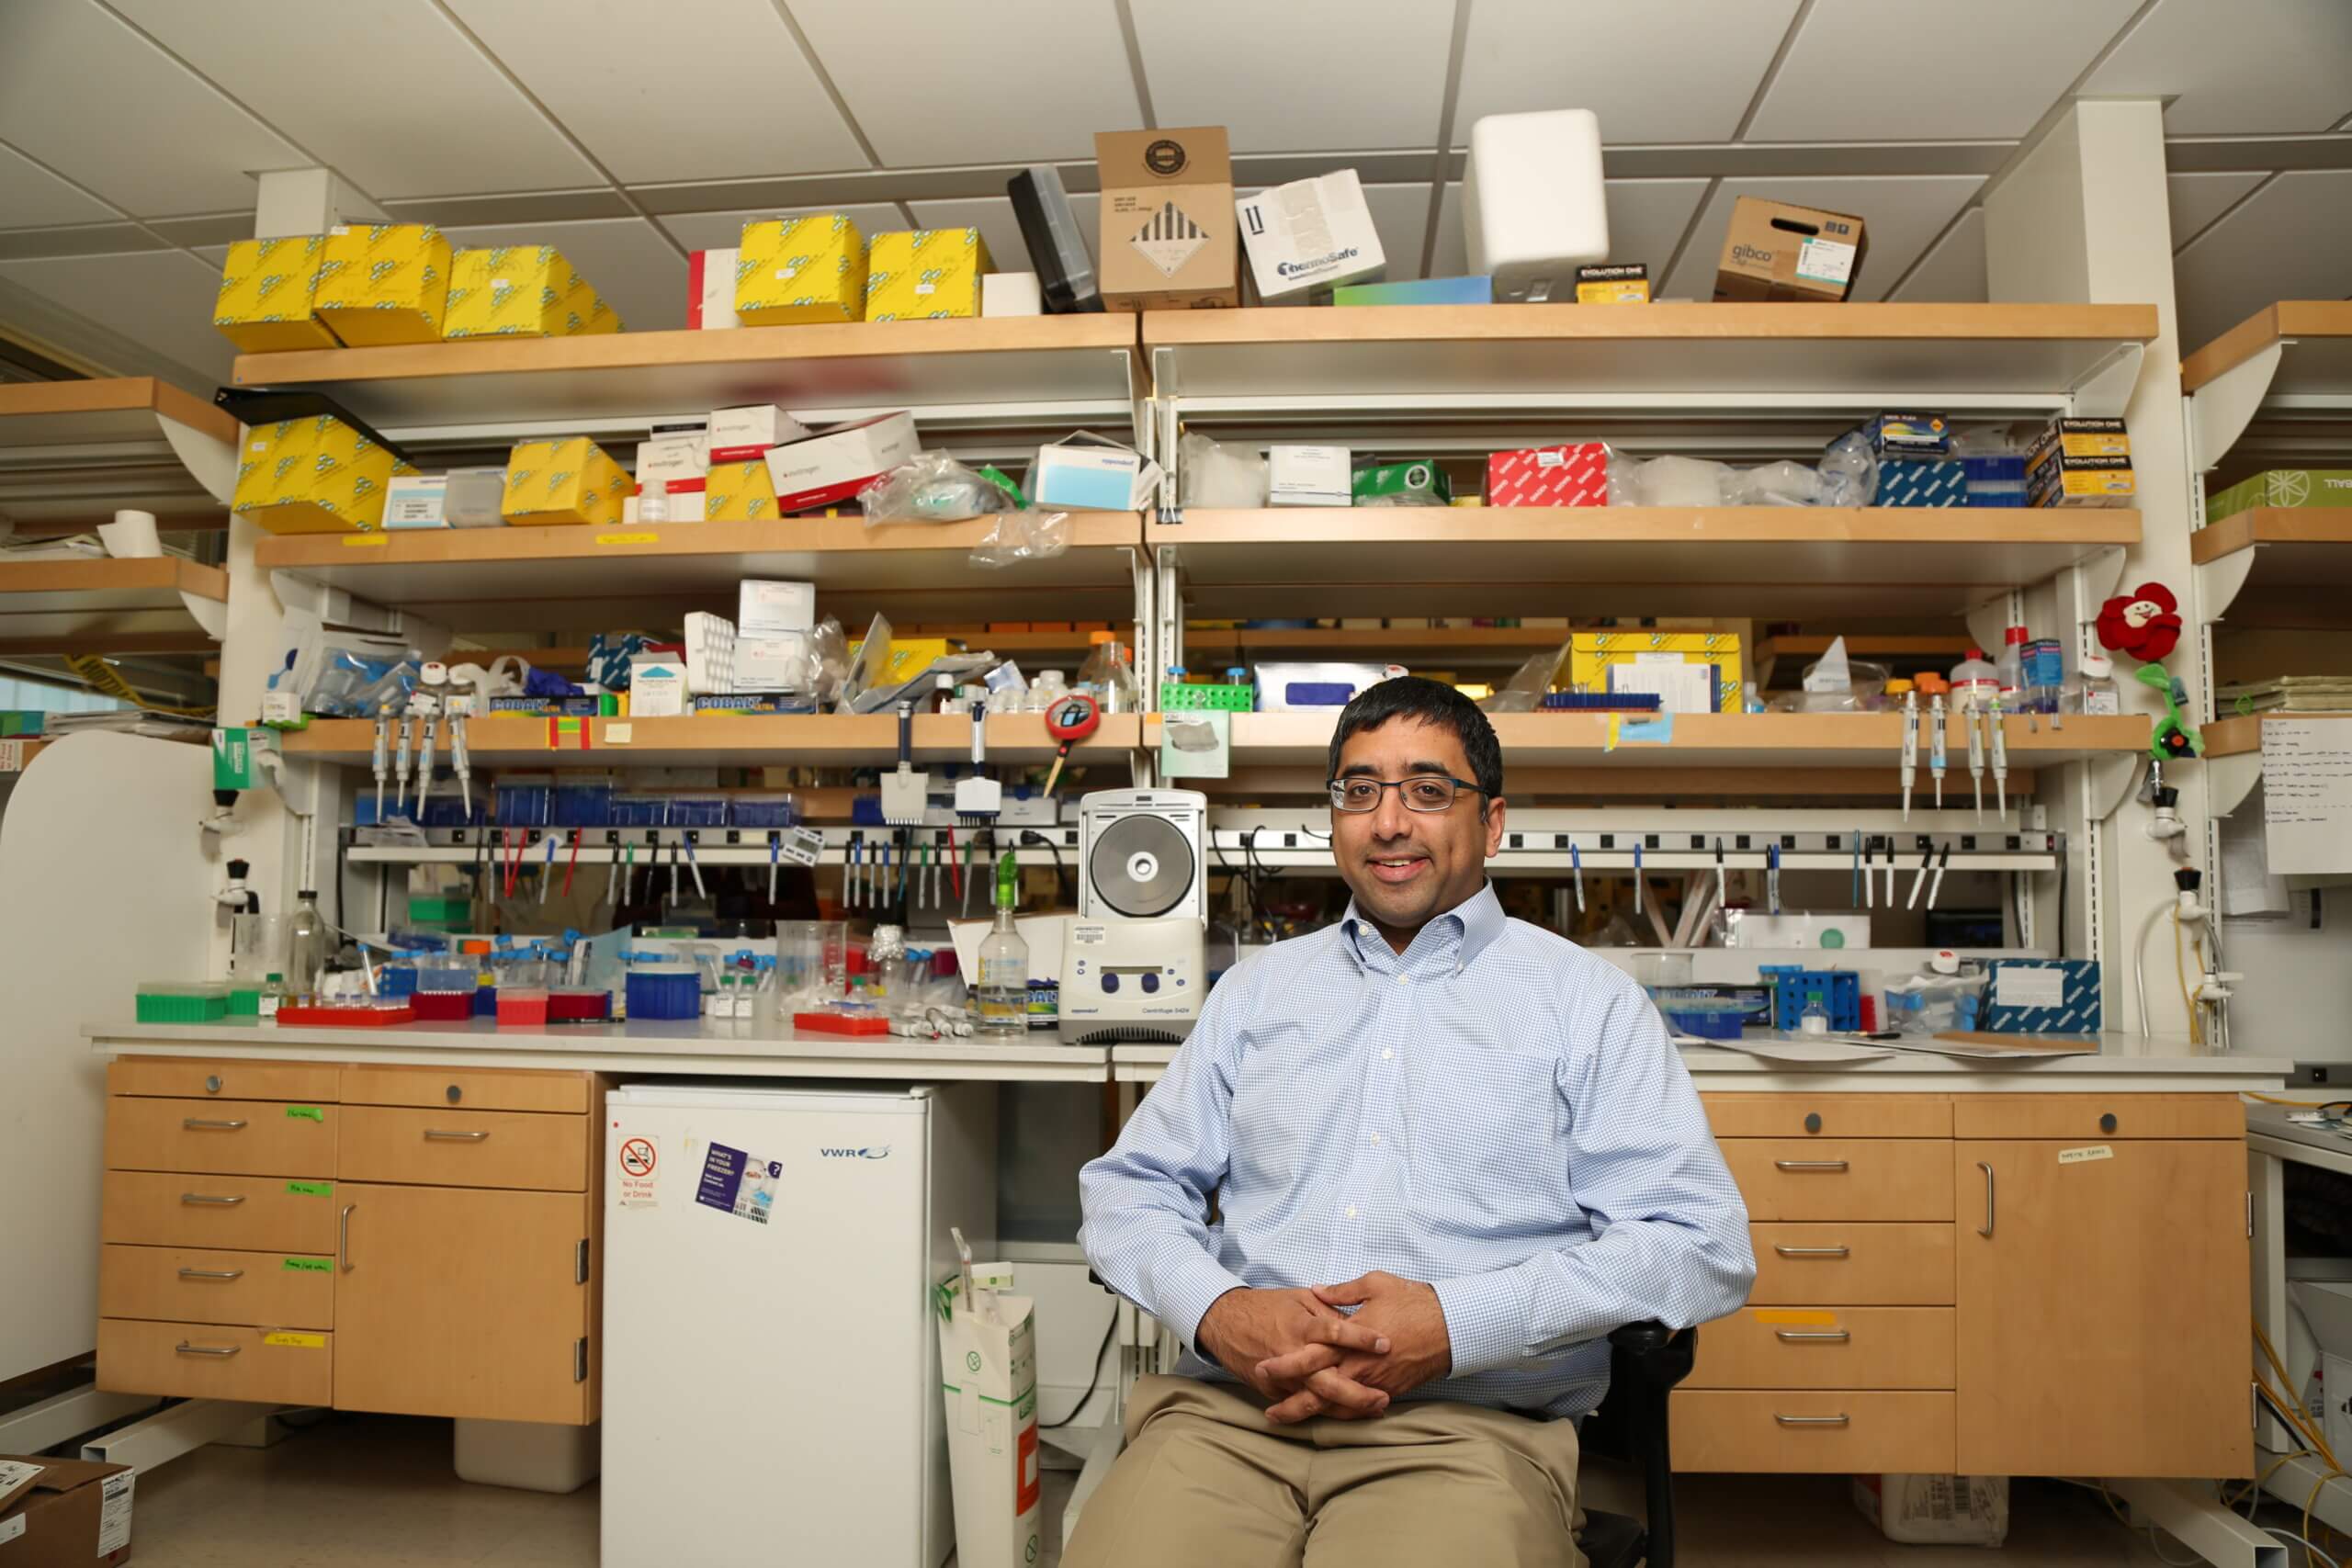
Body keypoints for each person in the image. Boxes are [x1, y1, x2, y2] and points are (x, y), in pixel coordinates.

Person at [1067, 677, 1755, 1568]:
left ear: (1493, 824)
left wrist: (1454, 1324)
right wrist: (1221, 1311)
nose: (1388, 822)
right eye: (1359, 791)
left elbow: (1700, 1244)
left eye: (1429, 791)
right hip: (1230, 1420)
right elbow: (1128, 1191)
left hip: (1467, 1434)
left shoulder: (1587, 1005)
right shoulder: (1255, 994)